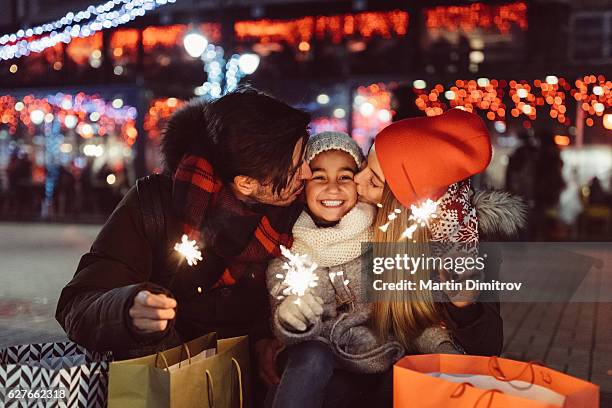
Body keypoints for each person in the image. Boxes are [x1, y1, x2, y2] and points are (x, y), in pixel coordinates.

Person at [55, 88, 313, 401]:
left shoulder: (299, 215)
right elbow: (76, 305)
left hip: (253, 390)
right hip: (164, 389)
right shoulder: (154, 204)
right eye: (296, 165)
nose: (308, 173)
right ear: (246, 183)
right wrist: (127, 308)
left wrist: (269, 339)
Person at [265, 132, 459, 408]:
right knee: (312, 356)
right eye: (319, 177)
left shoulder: (381, 240)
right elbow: (284, 312)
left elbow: (408, 318)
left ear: (357, 184)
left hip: (377, 369)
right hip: (317, 372)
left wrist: (443, 349)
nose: (332, 188)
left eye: (344, 177)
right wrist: (290, 317)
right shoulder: (289, 251)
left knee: (404, 375)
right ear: (303, 185)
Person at [354, 109, 527, 405]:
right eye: (363, 164)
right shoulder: (352, 221)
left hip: (420, 379)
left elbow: (487, 348)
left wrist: (464, 306)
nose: (356, 180)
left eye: (374, 180)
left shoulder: (466, 242)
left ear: (403, 205)